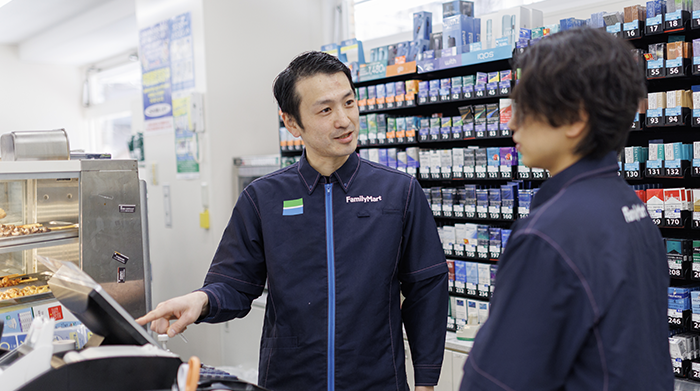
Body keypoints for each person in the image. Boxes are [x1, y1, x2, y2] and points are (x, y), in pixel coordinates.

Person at [137, 51, 449, 391]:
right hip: (290, 379)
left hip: (376, 380)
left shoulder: (398, 192)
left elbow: (426, 289)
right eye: (325, 110)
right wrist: (201, 300)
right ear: (292, 123)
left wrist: (426, 381)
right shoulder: (263, 198)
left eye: (349, 103)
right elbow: (235, 284)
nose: (344, 120)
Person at [459, 27, 673, 390]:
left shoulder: (548, 235)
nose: (511, 122)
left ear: (575, 118)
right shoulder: (631, 207)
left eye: (524, 108)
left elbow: (495, 382)